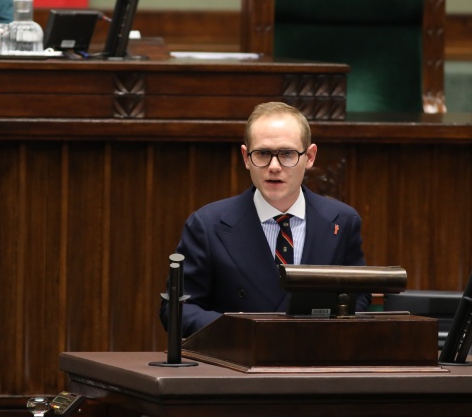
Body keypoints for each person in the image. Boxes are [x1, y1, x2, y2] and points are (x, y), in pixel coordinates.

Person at [159, 102, 370, 337]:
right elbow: (177, 309)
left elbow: (358, 297)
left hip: (315, 353)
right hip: (237, 355)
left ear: (310, 157)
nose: (274, 166)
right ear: (246, 157)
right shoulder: (207, 225)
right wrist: (238, 331)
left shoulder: (342, 221)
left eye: (287, 154)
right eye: (262, 154)